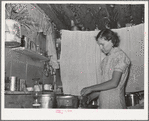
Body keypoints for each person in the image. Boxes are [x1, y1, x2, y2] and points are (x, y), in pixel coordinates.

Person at [80, 29, 131, 109]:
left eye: (102, 44)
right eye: (99, 45)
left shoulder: (120, 57)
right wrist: (90, 97)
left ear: (112, 41)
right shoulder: (105, 60)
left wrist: (91, 88)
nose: (100, 48)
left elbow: (114, 83)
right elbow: (105, 87)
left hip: (116, 105)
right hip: (104, 105)